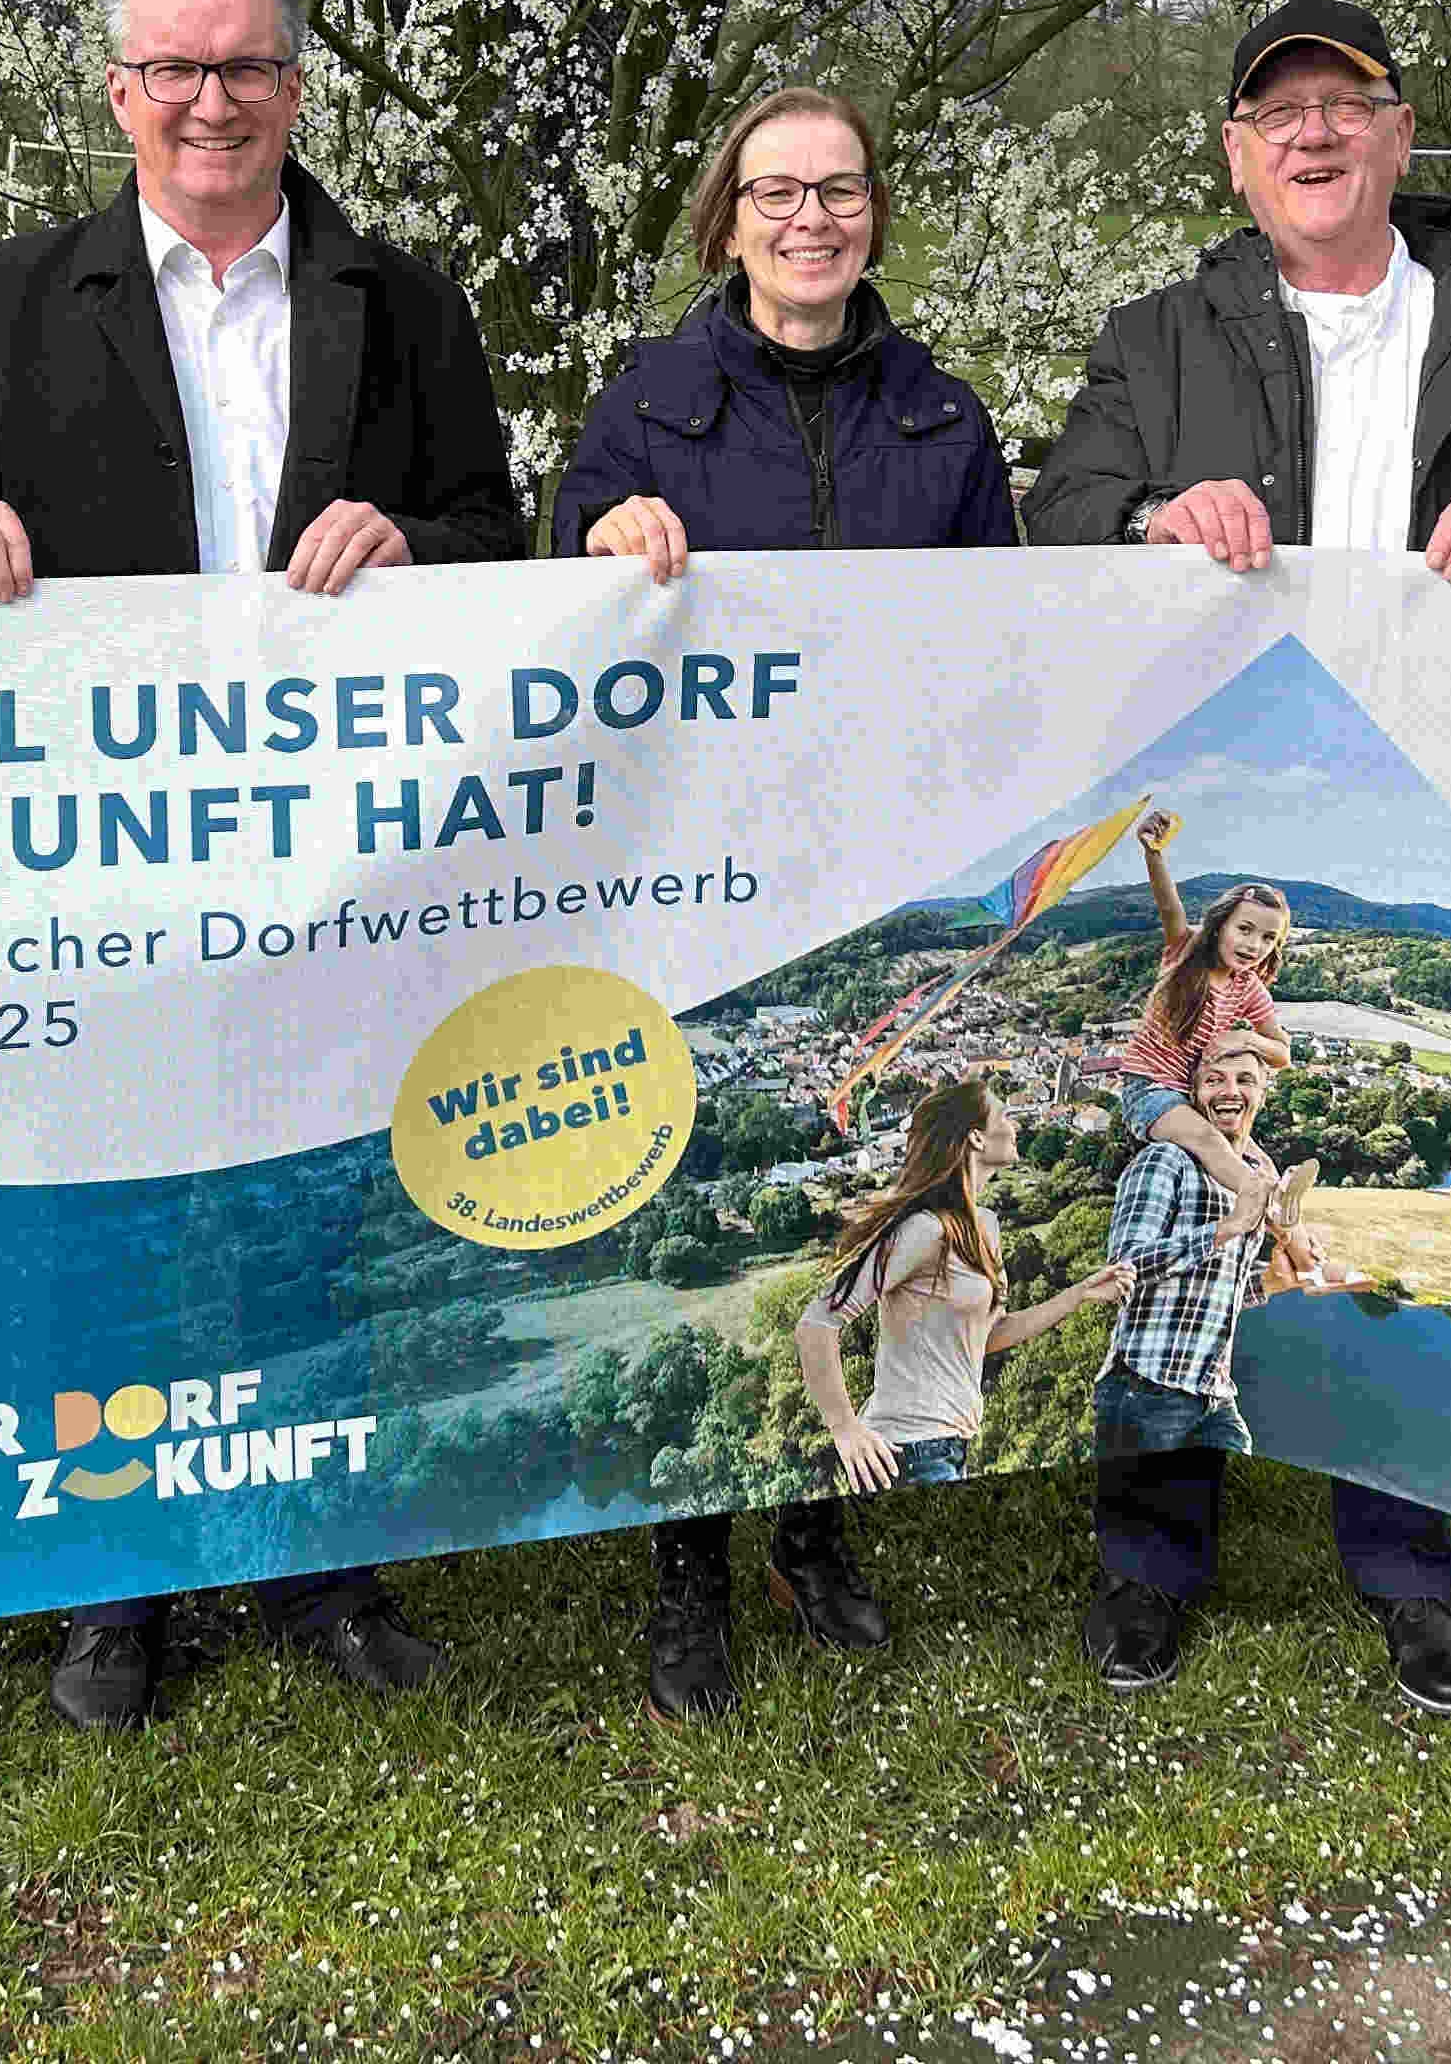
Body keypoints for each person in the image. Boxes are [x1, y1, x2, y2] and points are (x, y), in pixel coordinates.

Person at [0, 0, 527, 1734]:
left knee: (315, 1191)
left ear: (296, 85)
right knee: (111, 1200)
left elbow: (494, 533)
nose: (208, 99)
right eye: (171, 66)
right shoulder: (16, 297)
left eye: (241, 64)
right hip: (108, 846)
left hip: (341, 848)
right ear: (116, 90)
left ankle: (322, 1543)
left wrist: (417, 542)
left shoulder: (401, 301)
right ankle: (118, 1572)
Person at [1028, 0, 1451, 1714]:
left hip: (1445, 788)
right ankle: (1149, 1554)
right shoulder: (1155, 335)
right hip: (1230, 779)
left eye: (1345, 106)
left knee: (1333, 1206)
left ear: (1397, 137)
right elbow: (1056, 510)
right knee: (1173, 1218)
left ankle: (1407, 1557)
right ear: (1238, 158)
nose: (1312, 135)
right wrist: (1147, 516)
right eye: (1276, 114)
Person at [546, 82, 1024, 1719]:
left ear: (872, 211)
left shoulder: (942, 421)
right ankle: (688, 1550)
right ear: (726, 215)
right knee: (703, 1194)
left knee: (858, 1203)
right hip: (695, 872)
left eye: (837, 189)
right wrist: (602, 529)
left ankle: (813, 1525)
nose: (809, 216)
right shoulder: (649, 399)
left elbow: (1005, 637)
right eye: (776, 192)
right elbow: (550, 583)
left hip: (869, 876)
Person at [1080, 1035, 1315, 1688]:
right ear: (1192, 1092)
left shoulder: (1261, 1173)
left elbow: (1226, 1293)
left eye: (1244, 1078)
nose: (1229, 1090)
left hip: (1213, 1392)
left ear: (1264, 1092)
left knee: (1226, 1508)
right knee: (1136, 1545)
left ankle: (1169, 1585)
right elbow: (1121, 1269)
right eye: (1213, 1079)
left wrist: (1273, 1286)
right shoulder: (1165, 1164)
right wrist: (1227, 1227)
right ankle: (1127, 1606)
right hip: (1146, 1387)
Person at [799, 1082, 1138, 1493]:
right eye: (1004, 1116)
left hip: (951, 1447)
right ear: (976, 1137)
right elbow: (818, 1323)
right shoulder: (925, 1229)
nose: (1014, 1126)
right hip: (907, 1452)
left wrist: (1079, 1293)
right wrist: (845, 1429)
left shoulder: (986, 1227)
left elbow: (989, 1336)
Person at [1094, 819, 1324, 1278]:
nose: (1253, 945)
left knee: (1262, 1161)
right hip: (1151, 1089)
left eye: (1267, 939)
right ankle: (1269, 1204)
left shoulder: (1248, 988)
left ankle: (1309, 1262)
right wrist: (1154, 853)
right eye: (1245, 930)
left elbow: (1283, 1053)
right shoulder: (1185, 955)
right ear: (1220, 927)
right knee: (1209, 1142)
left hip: (1192, 1096)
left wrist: (1244, 1038)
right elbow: (1168, 904)